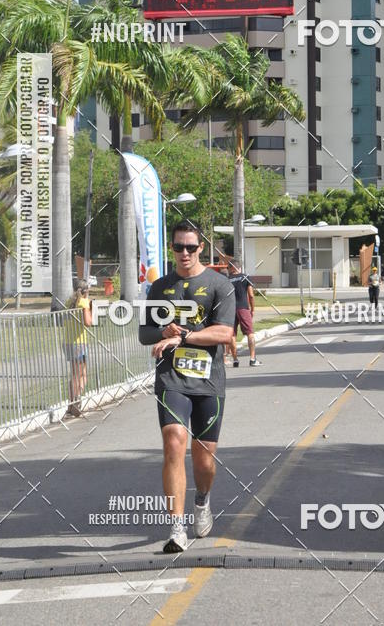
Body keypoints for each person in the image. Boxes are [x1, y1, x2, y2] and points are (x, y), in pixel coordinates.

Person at [139, 221, 235, 554]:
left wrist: (184, 336)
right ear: (172, 249)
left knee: (204, 461)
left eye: (190, 247)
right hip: (171, 380)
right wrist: (162, 334)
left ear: (201, 249)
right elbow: (145, 334)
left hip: (208, 382)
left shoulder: (219, 285)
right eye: (178, 247)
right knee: (173, 442)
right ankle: (176, 527)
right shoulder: (160, 287)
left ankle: (202, 499)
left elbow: (224, 333)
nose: (184, 253)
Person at [63, 279, 92, 417]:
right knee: (81, 375)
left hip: (68, 342)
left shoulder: (70, 302)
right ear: (86, 290)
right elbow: (88, 322)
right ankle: (76, 401)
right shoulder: (83, 303)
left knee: (75, 374)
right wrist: (89, 309)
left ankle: (71, 402)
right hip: (78, 343)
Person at [227, 261, 260, 367]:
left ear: (231, 268)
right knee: (250, 333)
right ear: (239, 268)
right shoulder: (245, 277)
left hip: (230, 309)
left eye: (228, 268)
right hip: (243, 308)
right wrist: (252, 309)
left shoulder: (226, 280)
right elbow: (251, 295)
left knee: (232, 335)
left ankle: (235, 360)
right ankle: (252, 359)